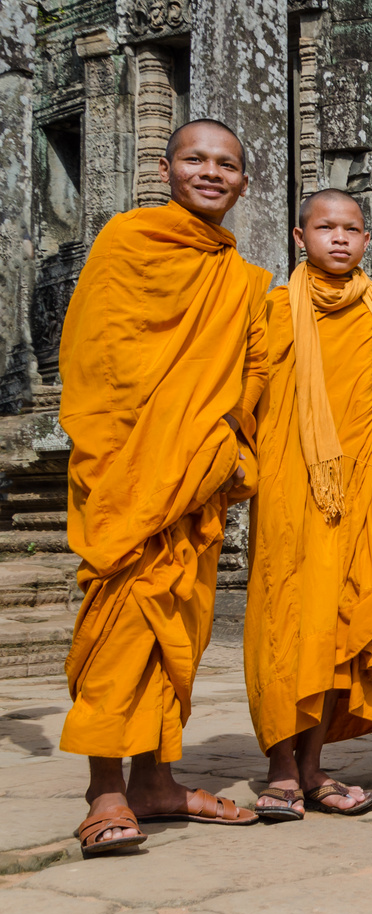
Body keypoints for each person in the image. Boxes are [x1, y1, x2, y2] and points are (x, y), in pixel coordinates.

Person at [61, 119, 269, 855]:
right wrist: (133, 451)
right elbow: (96, 358)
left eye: (226, 165)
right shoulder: (127, 242)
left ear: (243, 181)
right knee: (119, 625)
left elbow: (249, 375)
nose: (211, 173)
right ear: (164, 167)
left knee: (176, 632)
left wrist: (228, 447)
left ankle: (155, 780)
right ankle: (104, 790)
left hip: (194, 474)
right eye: (196, 160)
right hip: (130, 470)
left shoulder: (240, 277)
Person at [245, 190, 372, 820]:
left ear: (368, 240)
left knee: (342, 630)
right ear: (299, 235)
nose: (339, 239)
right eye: (326, 227)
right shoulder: (273, 310)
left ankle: (314, 768)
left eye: (351, 229)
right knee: (289, 626)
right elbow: (247, 394)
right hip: (293, 492)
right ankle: (281, 768)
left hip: (365, 494)